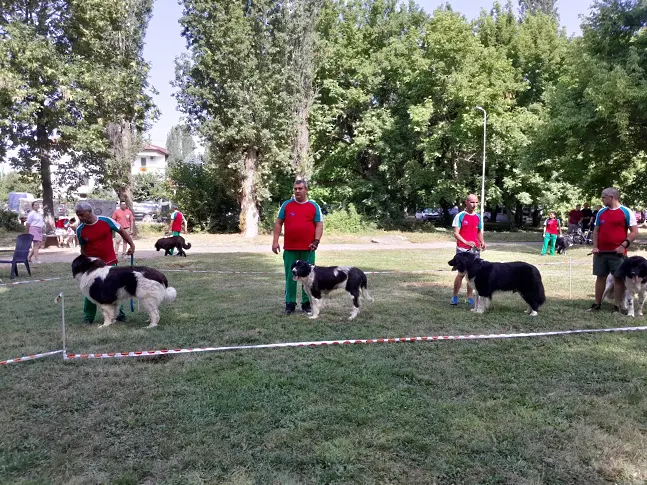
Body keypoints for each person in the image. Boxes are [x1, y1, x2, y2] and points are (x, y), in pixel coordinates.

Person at [75, 201, 135, 324]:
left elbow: (122, 231)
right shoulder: (80, 229)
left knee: (115, 290)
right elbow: (83, 249)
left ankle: (119, 315)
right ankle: (88, 317)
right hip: (92, 267)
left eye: (82, 214)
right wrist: (83, 263)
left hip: (110, 262)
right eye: (78, 215)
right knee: (90, 290)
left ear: (89, 212)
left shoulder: (106, 221)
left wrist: (131, 245)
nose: (80, 218)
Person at [272, 178, 324, 315]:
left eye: (300, 189)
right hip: (290, 249)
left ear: (306, 190)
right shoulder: (286, 205)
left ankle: (306, 303)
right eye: (295, 189)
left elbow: (319, 224)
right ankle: (290, 303)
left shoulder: (314, 206)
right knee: (291, 276)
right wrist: (275, 241)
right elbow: (278, 223)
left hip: (308, 249)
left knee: (309, 277)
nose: (297, 191)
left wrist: (316, 240)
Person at [587, 187, 638, 313]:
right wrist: (595, 246)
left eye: (604, 196)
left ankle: (617, 307)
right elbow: (596, 231)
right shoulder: (601, 212)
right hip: (600, 253)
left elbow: (634, 232)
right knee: (600, 277)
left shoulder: (626, 212)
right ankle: (597, 304)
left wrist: (622, 246)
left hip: (618, 253)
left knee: (618, 278)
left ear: (612, 197)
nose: (602, 199)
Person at [450, 194, 486, 306]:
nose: (474, 205)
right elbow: (456, 233)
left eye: (476, 202)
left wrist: (482, 242)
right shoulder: (460, 216)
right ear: (466, 202)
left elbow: (479, 232)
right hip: (462, 250)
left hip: (475, 250)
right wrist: (466, 242)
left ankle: (470, 297)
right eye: (472, 202)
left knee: (473, 275)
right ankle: (455, 296)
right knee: (461, 274)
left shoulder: (478, 217)